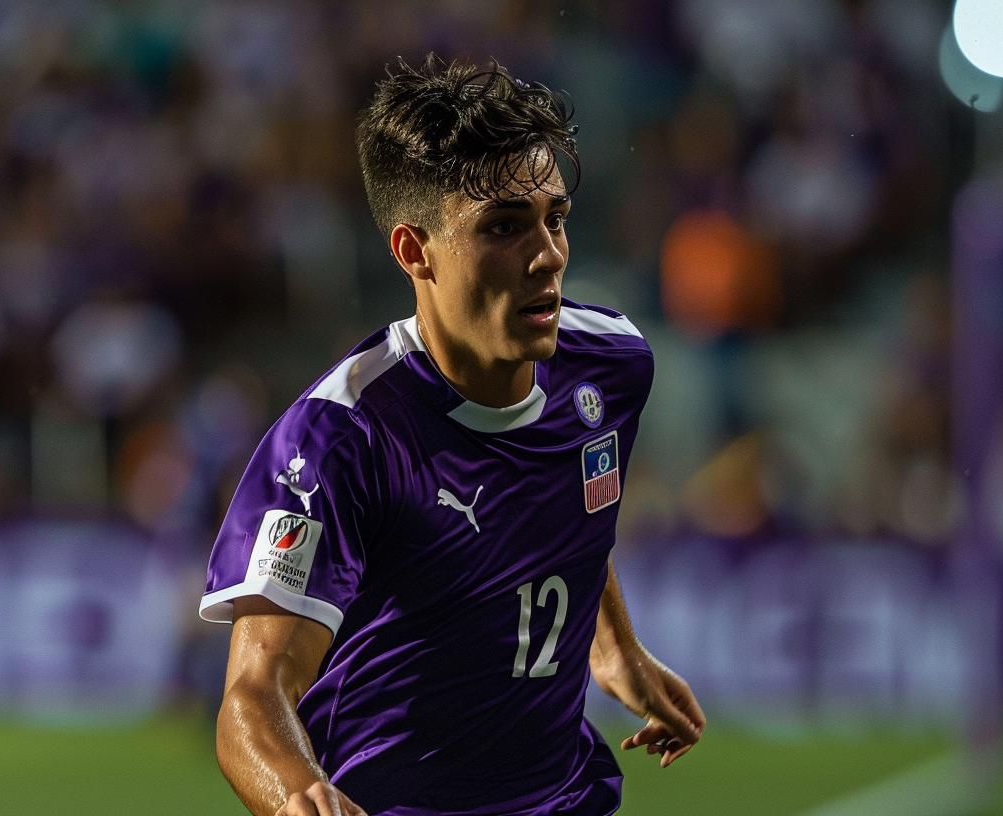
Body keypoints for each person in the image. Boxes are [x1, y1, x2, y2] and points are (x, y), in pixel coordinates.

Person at [200, 55, 705, 816]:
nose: (547, 255)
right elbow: (254, 691)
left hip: (565, 798)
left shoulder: (612, 366)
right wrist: (300, 795)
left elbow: (569, 510)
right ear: (414, 251)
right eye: (504, 226)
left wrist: (616, 648)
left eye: (554, 219)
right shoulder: (341, 437)